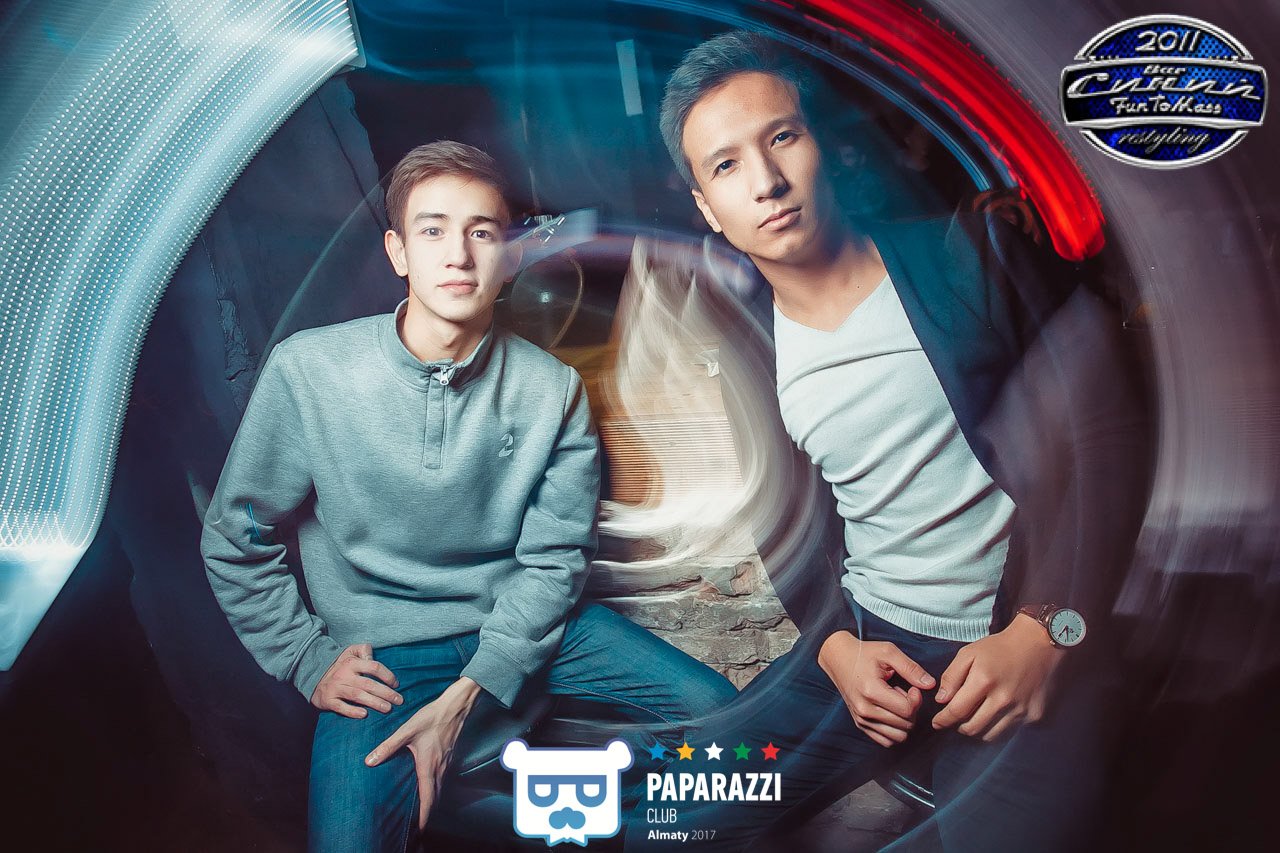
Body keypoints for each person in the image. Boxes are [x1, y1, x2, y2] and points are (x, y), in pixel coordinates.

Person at [628, 31, 1148, 850]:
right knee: (669, 811)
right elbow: (780, 514)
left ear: (822, 146)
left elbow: (1109, 436)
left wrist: (1050, 628)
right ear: (707, 208)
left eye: (781, 138)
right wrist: (837, 648)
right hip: (873, 649)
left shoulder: (969, 257)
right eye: (726, 166)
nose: (765, 181)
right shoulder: (751, 344)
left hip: (1015, 635)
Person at [200, 140, 736, 852]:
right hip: (385, 658)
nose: (457, 255)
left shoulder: (551, 389)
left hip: (529, 629)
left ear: (509, 254)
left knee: (727, 723)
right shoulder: (309, 371)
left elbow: (555, 561)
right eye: (432, 231)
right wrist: (306, 657)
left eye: (481, 232)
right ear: (398, 252)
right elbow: (236, 536)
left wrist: (476, 688)